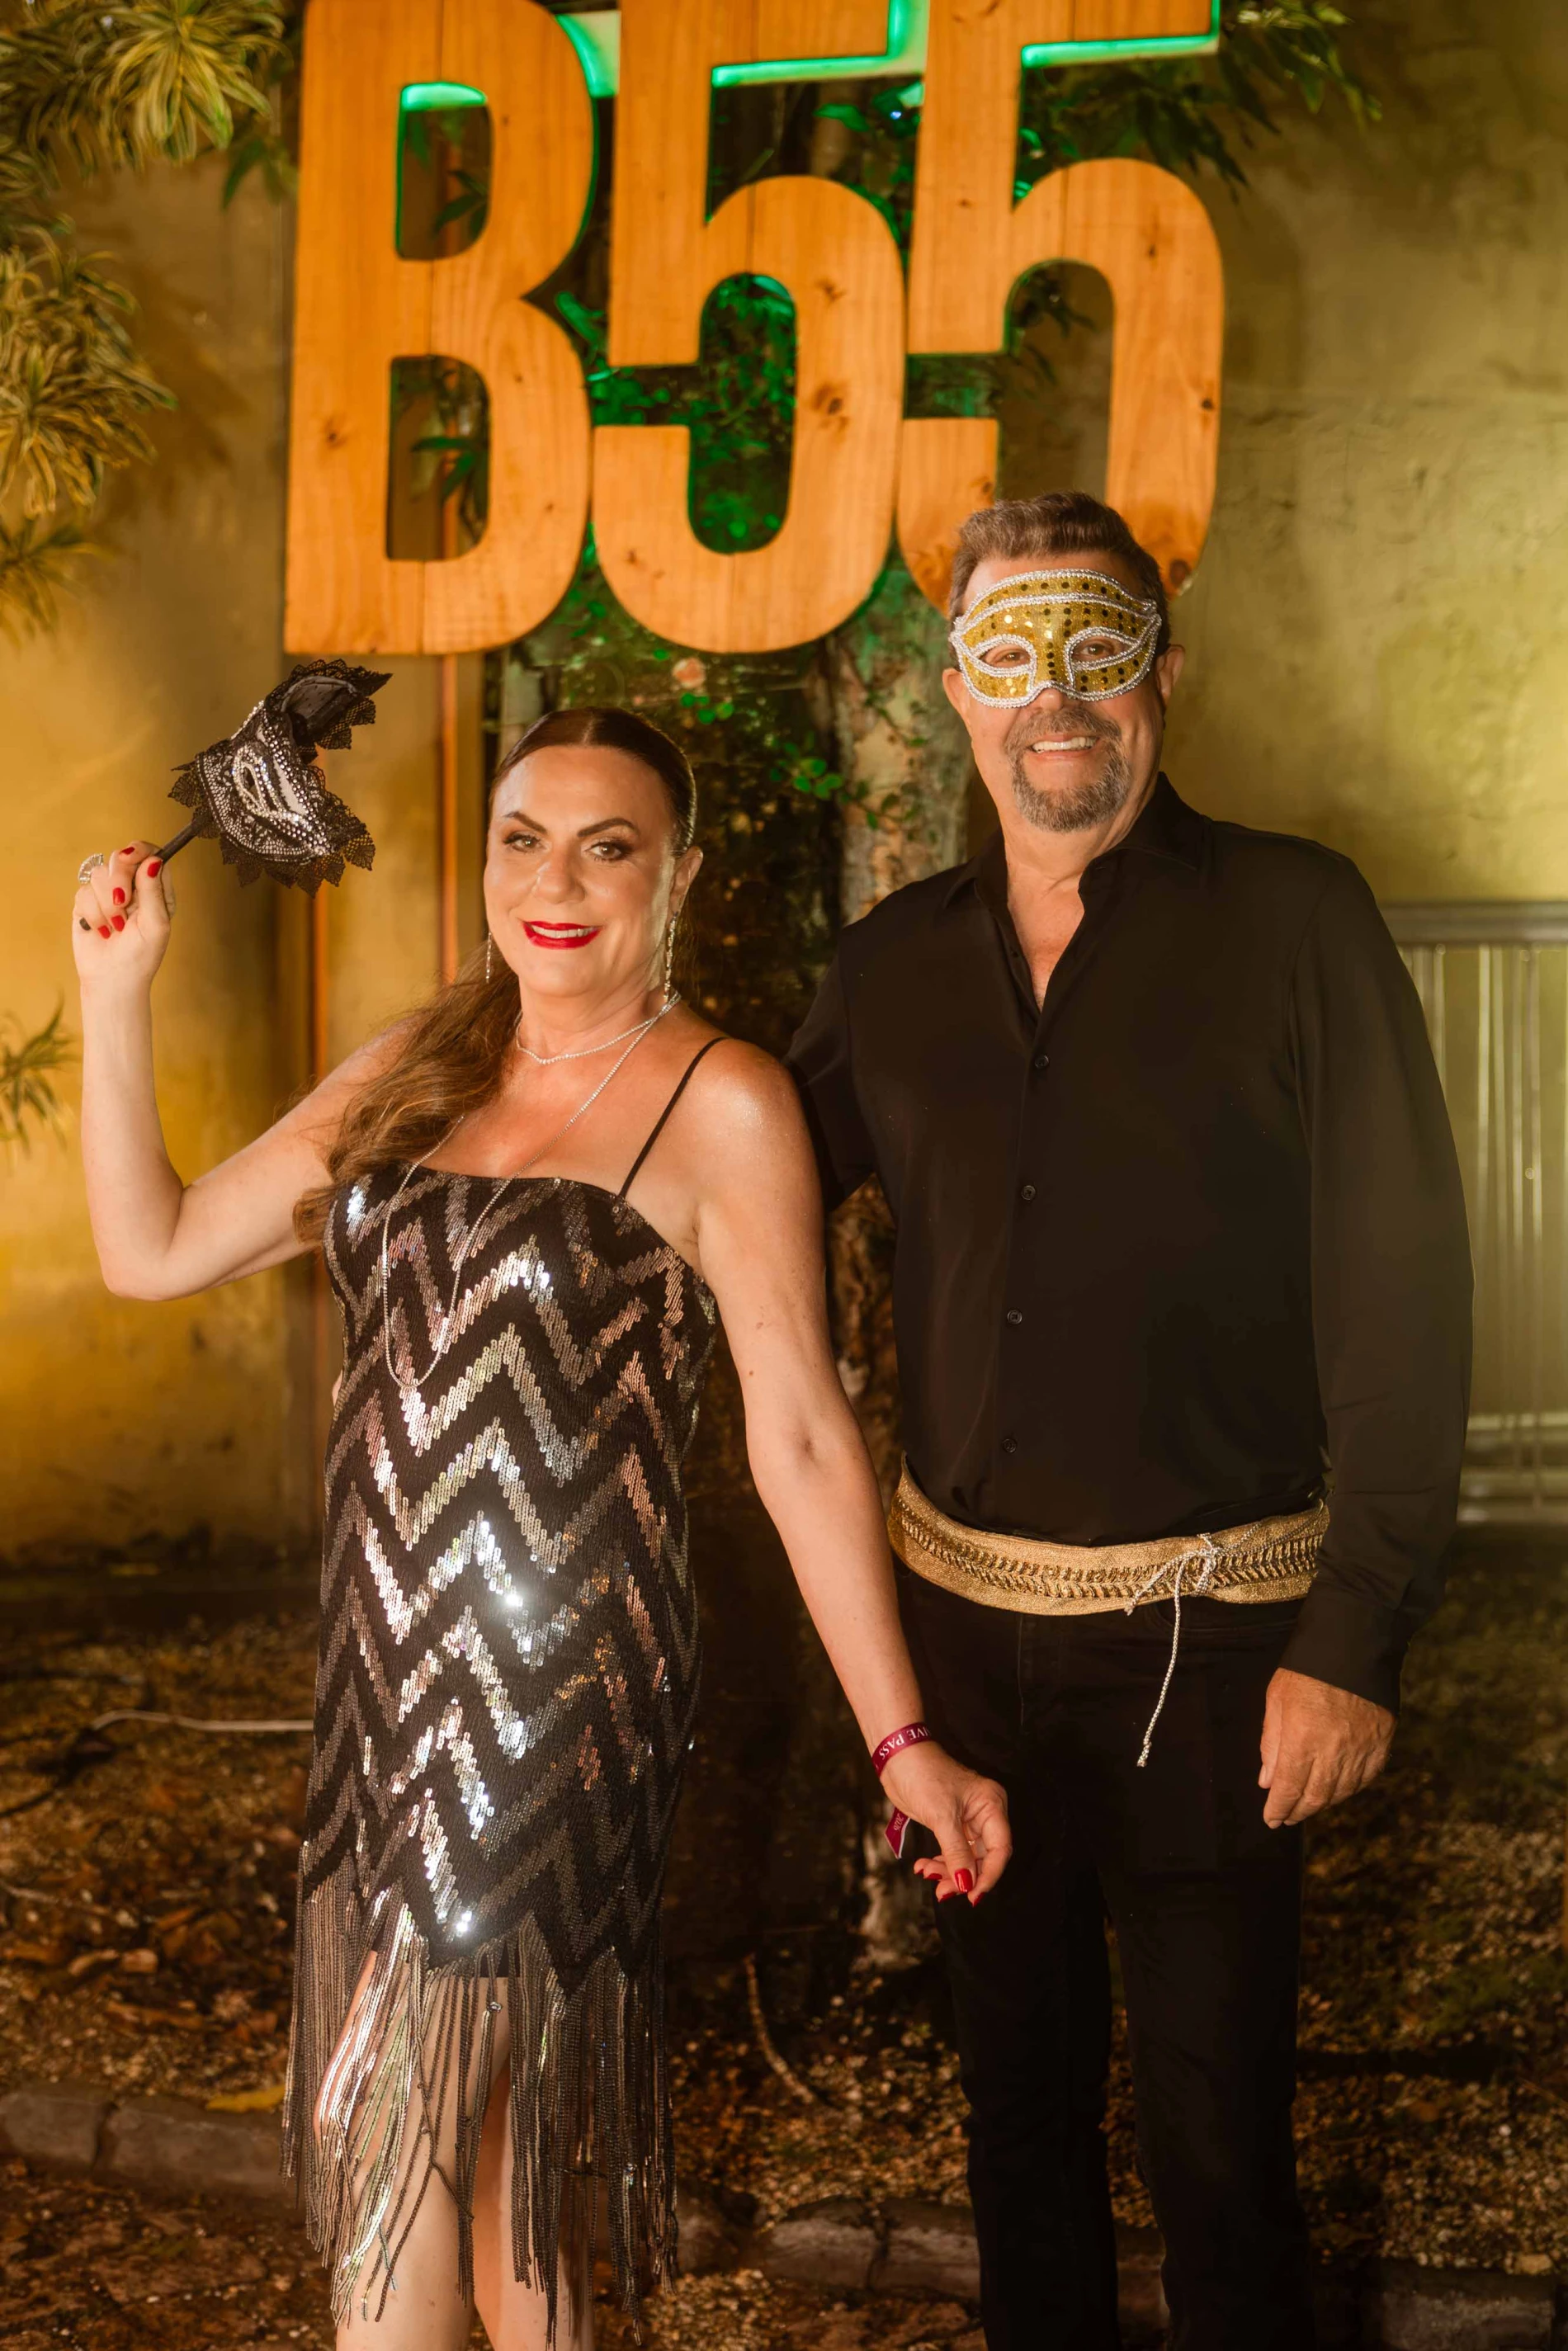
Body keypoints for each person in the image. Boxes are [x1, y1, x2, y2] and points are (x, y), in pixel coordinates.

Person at [72, 704, 1011, 2351]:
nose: (553, 882)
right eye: (523, 839)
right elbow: (152, 1250)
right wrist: (114, 995)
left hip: (556, 1700)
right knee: (509, 2192)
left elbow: (800, 1430)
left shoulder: (721, 1100)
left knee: (390, 2151)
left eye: (606, 845)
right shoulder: (418, 1065)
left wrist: (901, 1735)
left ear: (679, 875)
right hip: (380, 1688)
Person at [786, 491, 1472, 2351]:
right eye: (1010, 654)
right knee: (1013, 2119)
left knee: (1218, 2143)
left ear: (1165, 673)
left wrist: (1352, 1637)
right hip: (960, 1659)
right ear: (955, 688)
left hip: (1219, 1648)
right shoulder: (888, 969)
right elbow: (735, 1192)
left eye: (1098, 646)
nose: (1056, 695)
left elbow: (1407, 1293)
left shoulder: (1296, 919)